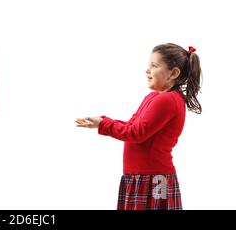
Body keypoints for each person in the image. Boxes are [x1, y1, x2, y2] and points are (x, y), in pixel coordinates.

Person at [76, 43, 202, 210]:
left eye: (154, 66)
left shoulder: (167, 100)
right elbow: (131, 126)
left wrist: (104, 124)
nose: (147, 70)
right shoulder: (154, 97)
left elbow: (136, 133)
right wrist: (102, 121)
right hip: (143, 177)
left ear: (173, 73)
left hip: (154, 180)